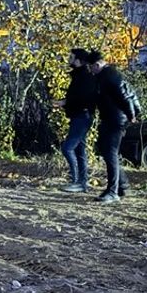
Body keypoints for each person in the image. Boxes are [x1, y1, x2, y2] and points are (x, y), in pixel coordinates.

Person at [89, 51, 135, 203]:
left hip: (115, 120)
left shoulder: (109, 75)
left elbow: (124, 96)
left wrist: (131, 115)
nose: (91, 71)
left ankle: (113, 191)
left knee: (110, 153)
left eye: (91, 68)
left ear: (97, 65)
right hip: (112, 118)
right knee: (107, 151)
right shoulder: (105, 75)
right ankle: (121, 186)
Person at [52, 49, 97, 193]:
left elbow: (82, 98)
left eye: (71, 57)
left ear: (78, 60)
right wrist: (65, 103)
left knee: (67, 148)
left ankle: (77, 181)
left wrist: (64, 103)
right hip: (80, 115)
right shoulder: (81, 75)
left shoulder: (84, 77)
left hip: (81, 116)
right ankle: (82, 183)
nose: (68, 59)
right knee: (80, 150)